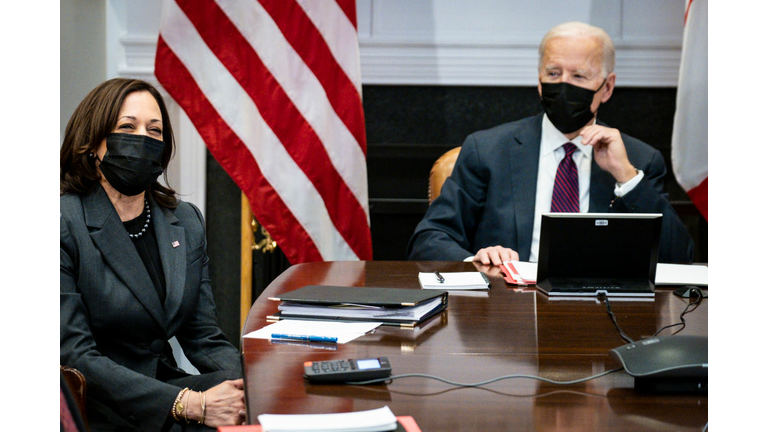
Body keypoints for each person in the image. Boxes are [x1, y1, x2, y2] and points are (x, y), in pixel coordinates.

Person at [407, 21, 694, 265]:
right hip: (508, 309)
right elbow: (429, 239)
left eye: (579, 76)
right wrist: (479, 262)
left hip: (602, 313)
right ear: (540, 80)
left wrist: (627, 177)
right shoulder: (488, 150)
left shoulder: (640, 159)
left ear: (606, 87)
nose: (564, 85)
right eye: (554, 74)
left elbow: (678, 258)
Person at [60, 78, 246, 431]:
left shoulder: (185, 220)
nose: (142, 139)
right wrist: (191, 404)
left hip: (167, 385)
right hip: (100, 404)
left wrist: (246, 387)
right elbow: (75, 355)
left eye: (155, 130)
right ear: (93, 143)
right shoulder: (62, 222)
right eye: (127, 127)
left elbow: (203, 335)